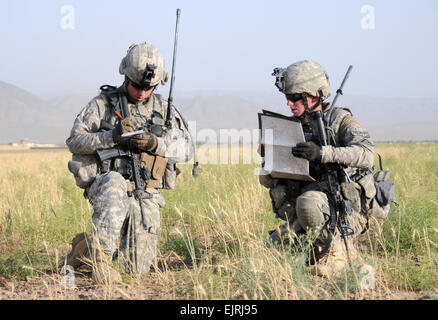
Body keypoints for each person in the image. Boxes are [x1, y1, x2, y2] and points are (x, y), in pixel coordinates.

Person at [65, 42, 193, 283]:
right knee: (114, 184)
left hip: (145, 192)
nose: (142, 92)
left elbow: (187, 149)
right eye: (137, 85)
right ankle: (101, 262)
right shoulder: (103, 105)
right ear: (126, 76)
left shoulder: (164, 110)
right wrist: (110, 136)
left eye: (149, 87)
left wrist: (156, 144)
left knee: (138, 269)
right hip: (106, 183)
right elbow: (74, 140)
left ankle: (83, 249)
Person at [260, 60, 376, 276]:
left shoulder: (340, 120)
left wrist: (323, 153)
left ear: (313, 96)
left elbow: (367, 154)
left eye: (294, 98)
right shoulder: (290, 128)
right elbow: (267, 180)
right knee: (269, 253)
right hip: (305, 215)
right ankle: (314, 246)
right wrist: (270, 167)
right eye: (287, 98)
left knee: (308, 202)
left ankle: (339, 251)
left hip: (342, 212)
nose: (289, 104)